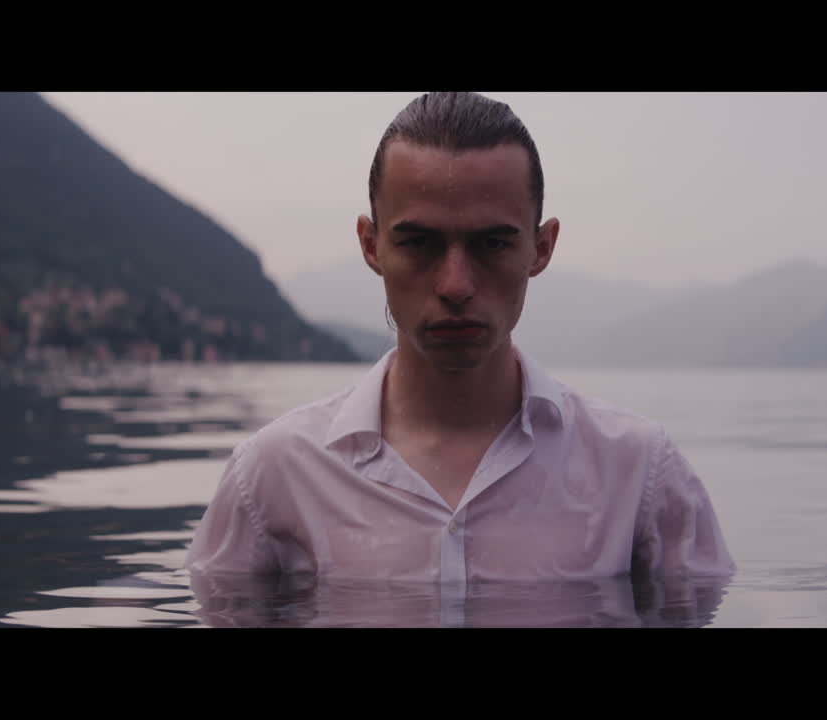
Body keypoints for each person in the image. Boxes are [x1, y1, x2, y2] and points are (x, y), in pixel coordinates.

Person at [186, 92, 734, 588]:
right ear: (371, 245)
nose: (455, 285)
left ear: (541, 248)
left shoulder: (637, 473)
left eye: (491, 244)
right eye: (419, 243)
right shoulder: (275, 475)